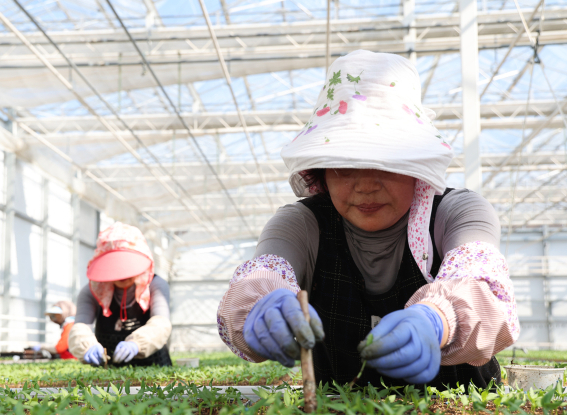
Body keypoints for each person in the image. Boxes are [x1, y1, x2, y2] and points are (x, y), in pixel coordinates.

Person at [217, 50, 519, 389]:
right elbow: (264, 273)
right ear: (322, 171)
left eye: (386, 163)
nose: (365, 186)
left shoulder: (457, 212)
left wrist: (438, 319)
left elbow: (481, 285)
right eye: (344, 166)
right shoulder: (302, 224)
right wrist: (262, 305)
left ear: (415, 165)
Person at [68, 222, 172, 367]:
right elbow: (80, 326)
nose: (123, 274)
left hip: (154, 364)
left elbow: (161, 323)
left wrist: (137, 344)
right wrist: (85, 344)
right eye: (115, 266)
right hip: (110, 370)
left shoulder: (155, 285)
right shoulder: (92, 291)